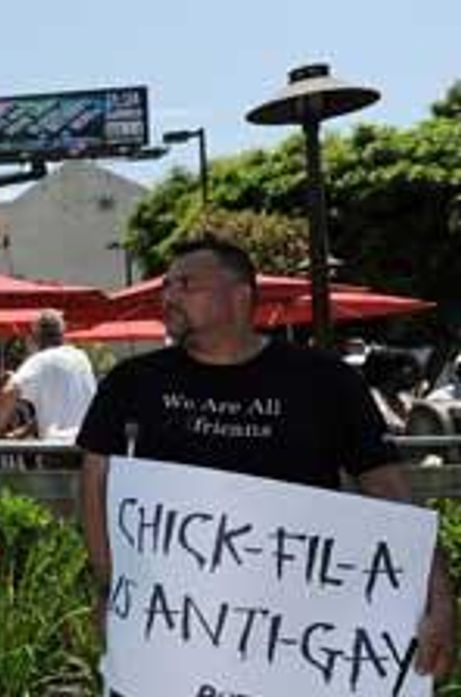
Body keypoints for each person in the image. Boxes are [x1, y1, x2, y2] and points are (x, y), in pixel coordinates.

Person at [76, 236, 455, 681]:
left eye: (186, 284)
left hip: (298, 636)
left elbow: (388, 490)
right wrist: (110, 587)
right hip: (174, 630)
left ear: (240, 296)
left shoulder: (325, 382)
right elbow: (96, 484)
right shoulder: (132, 382)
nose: (168, 296)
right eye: (167, 285)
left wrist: (439, 595)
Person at [0, 310, 96, 444]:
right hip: (87, 443)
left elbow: (10, 390)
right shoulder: (81, 357)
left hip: (58, 445)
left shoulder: (40, 360)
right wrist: (24, 431)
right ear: (63, 334)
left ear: (35, 337)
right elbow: (62, 408)